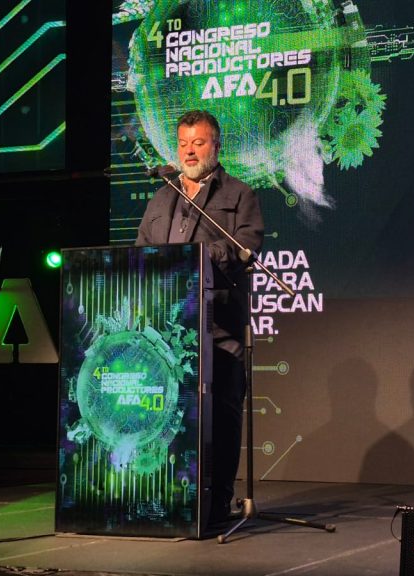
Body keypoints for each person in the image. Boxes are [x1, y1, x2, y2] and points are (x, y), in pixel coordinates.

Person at [135, 110, 264, 525]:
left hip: (218, 327)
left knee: (223, 414)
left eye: (199, 143)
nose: (189, 151)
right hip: (166, 333)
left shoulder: (239, 194)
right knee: (169, 416)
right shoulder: (162, 198)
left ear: (216, 145)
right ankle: (170, 497)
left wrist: (199, 258)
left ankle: (217, 501)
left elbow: (247, 245)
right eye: (183, 144)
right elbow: (140, 251)